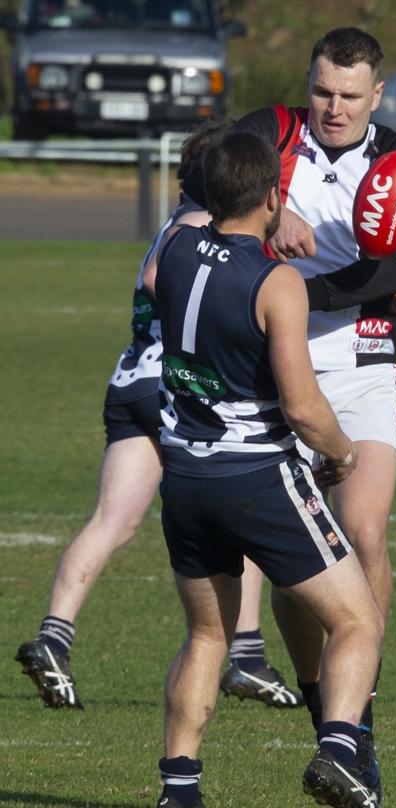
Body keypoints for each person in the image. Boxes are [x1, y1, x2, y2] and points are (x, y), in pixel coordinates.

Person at [15, 117, 302, 712]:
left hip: (129, 382)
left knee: (113, 521)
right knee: (238, 501)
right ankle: (244, 656)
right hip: (171, 383)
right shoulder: (199, 228)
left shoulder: (176, 222)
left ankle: (54, 636)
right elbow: (159, 278)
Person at [148, 130, 384, 808]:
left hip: (185, 476)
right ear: (275, 198)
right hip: (254, 476)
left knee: (206, 634)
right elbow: (304, 408)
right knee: (357, 620)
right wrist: (342, 453)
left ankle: (180, 789)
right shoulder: (276, 281)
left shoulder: (176, 247)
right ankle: (340, 748)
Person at [233, 26, 396, 805]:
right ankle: (329, 712)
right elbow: (208, 171)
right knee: (296, 564)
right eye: (323, 91)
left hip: (362, 364)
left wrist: (293, 292)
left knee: (366, 531)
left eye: (351, 96)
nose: (334, 108)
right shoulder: (270, 134)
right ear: (306, 82)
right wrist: (268, 205)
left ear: (377, 95)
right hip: (273, 371)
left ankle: (361, 714)